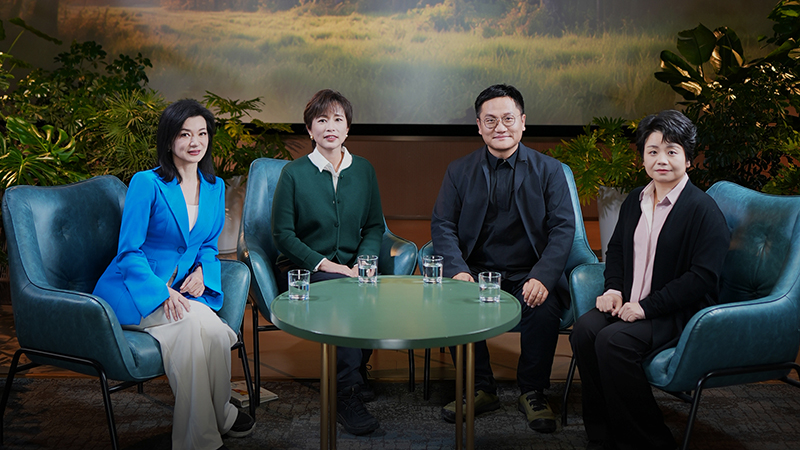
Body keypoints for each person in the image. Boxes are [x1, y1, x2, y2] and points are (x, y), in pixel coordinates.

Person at [92, 99, 255, 450]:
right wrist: (162, 291)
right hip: (134, 290)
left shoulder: (215, 187)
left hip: (180, 289)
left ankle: (219, 414)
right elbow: (128, 251)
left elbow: (208, 245)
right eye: (185, 134)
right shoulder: (147, 183)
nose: (195, 142)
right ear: (169, 140)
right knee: (189, 329)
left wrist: (203, 272)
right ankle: (200, 440)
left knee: (215, 331)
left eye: (202, 133)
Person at [569, 110, 731, 450]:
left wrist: (646, 307)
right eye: (653, 151)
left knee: (613, 341)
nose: (662, 160)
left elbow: (701, 279)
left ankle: (649, 441)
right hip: (632, 303)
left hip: (678, 312)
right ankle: (603, 434)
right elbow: (616, 250)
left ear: (688, 158)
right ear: (642, 157)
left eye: (672, 151)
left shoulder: (703, 210)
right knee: (585, 330)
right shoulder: (635, 200)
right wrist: (613, 288)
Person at [431, 84, 576, 433]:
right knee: (456, 304)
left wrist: (543, 275)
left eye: (508, 119)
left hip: (530, 271)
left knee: (543, 308)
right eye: (490, 120)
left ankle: (533, 392)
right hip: (477, 272)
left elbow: (563, 228)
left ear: (523, 122)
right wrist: (458, 271)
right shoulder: (458, 170)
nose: (500, 127)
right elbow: (442, 224)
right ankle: (479, 388)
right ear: (479, 126)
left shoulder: (550, 170)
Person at [271, 89, 384, 436]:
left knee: (374, 289)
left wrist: (364, 262)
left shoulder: (364, 170)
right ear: (310, 129)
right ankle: (345, 394)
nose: (330, 127)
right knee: (345, 295)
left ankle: (353, 369)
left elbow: (374, 226)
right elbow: (283, 235)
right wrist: (326, 265)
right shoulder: (293, 173)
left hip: (351, 267)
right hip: (303, 269)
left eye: (338, 120)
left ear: (348, 128)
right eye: (321, 120)